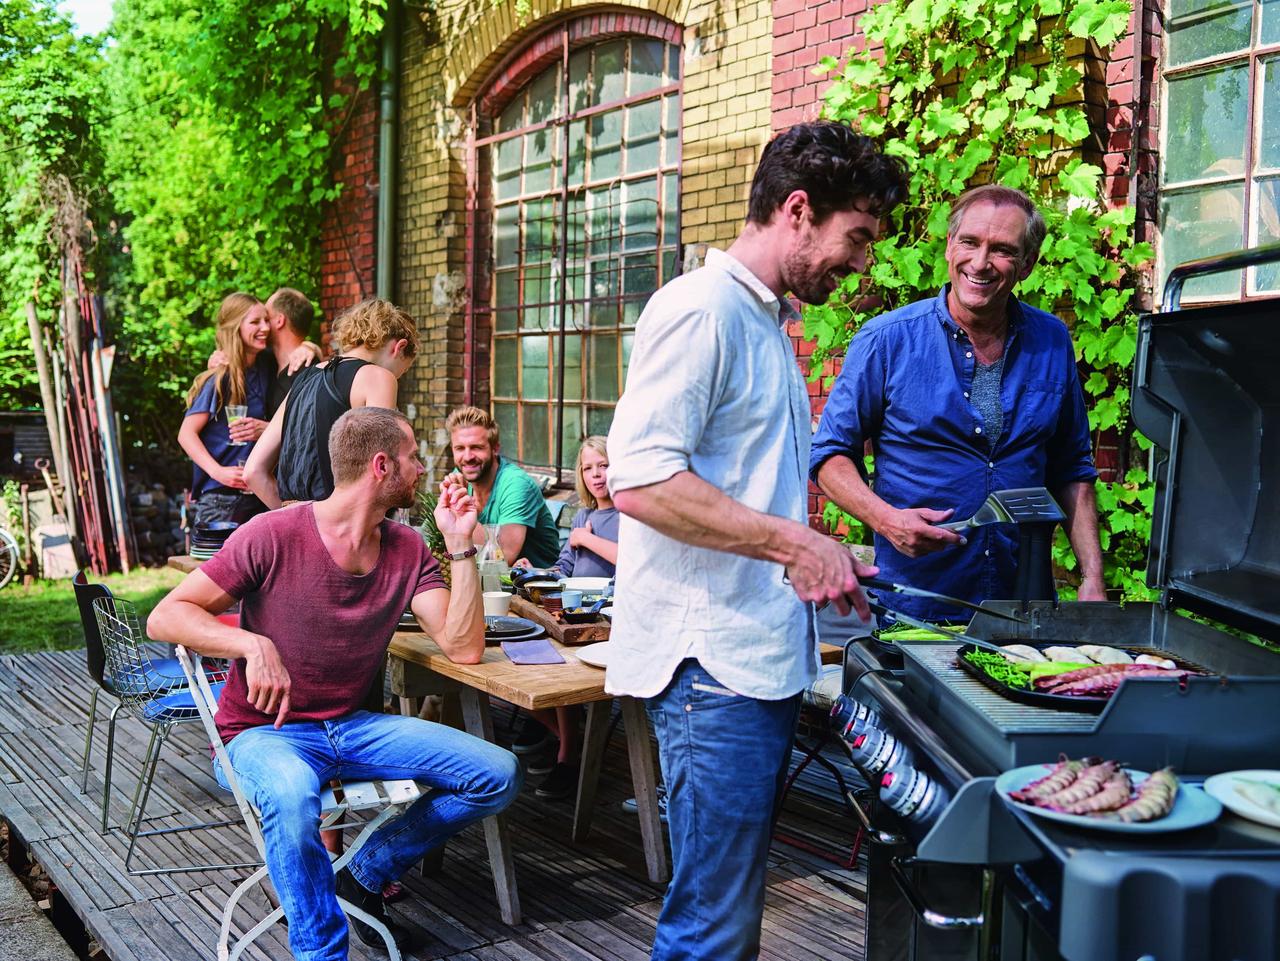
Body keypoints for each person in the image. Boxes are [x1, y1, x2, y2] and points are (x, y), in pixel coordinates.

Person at [605, 121, 906, 961]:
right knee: (712, 925)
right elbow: (639, 479)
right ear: (799, 210)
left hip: (748, 662)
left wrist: (822, 557)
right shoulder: (701, 310)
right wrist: (794, 545)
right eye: (858, 238)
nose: (861, 263)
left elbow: (737, 489)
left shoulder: (766, 322)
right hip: (713, 674)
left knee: (724, 915)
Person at [147, 407, 521, 960]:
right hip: (262, 734)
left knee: (496, 773)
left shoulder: (408, 547)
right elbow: (166, 616)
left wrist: (462, 544)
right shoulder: (272, 534)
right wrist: (252, 643)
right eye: (414, 456)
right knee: (295, 797)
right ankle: (322, 952)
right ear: (380, 465)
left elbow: (464, 646)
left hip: (351, 728)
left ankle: (366, 872)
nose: (422, 469)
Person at [810, 184, 1105, 620]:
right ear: (949, 247)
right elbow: (830, 454)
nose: (980, 263)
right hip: (917, 604)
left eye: (1002, 250)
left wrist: (1092, 579)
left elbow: (1072, 467)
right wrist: (886, 519)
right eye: (969, 242)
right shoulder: (887, 340)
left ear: (1027, 265)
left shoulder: (1052, 341)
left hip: (1023, 607)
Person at [512, 436, 618, 799]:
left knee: (556, 662)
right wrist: (537, 570)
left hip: (606, 618)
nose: (596, 475)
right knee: (520, 653)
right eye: (588, 468)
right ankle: (571, 738)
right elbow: (564, 568)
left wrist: (585, 540)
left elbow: (633, 559)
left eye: (603, 465)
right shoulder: (585, 516)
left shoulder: (629, 515)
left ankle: (568, 755)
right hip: (572, 611)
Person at [244, 298, 419, 509]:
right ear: (399, 347)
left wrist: (295, 519)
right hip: (348, 531)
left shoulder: (303, 379)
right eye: (402, 371)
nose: (396, 378)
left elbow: (253, 472)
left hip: (296, 526)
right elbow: (380, 469)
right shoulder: (378, 377)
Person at [179, 293, 272, 527]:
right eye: (255, 322)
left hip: (257, 496)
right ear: (235, 328)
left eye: (267, 320)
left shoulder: (266, 366)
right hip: (221, 499)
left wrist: (309, 347)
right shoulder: (220, 378)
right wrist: (217, 471)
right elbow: (186, 434)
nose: (265, 327)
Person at [445, 406, 559, 568]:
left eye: (477, 447)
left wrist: (459, 510)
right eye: (460, 448)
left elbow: (503, 555)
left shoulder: (516, 484)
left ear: (495, 448)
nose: (468, 457)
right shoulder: (460, 476)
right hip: (493, 583)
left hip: (539, 586)